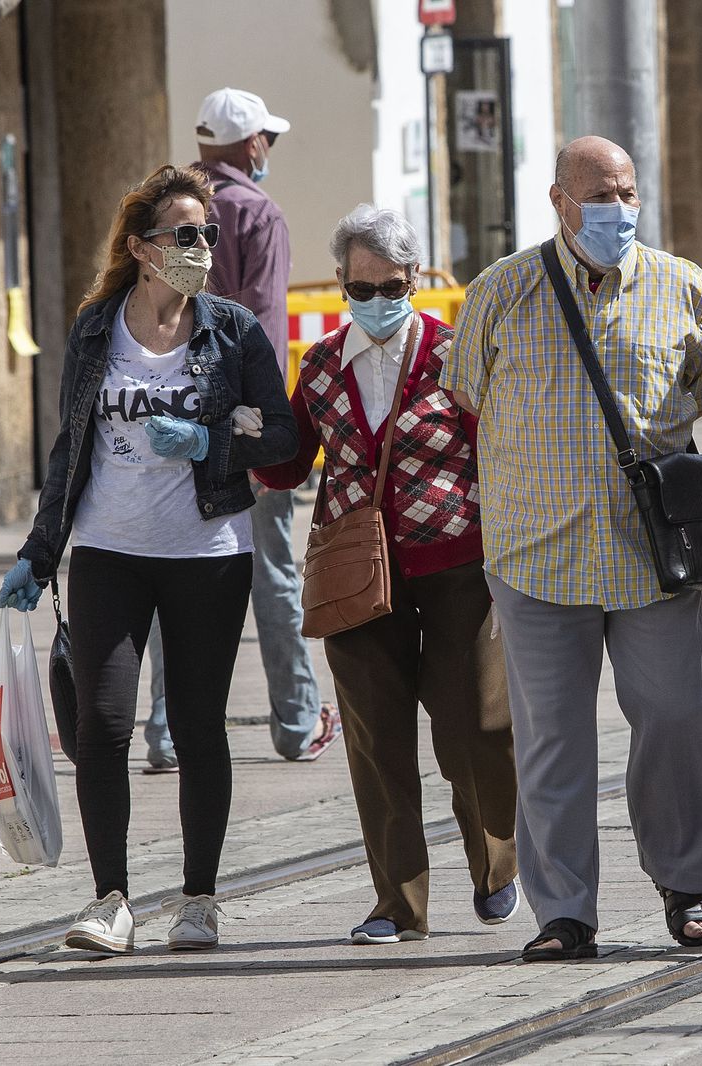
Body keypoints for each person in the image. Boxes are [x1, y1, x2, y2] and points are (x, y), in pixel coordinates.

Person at [444, 135, 702, 962]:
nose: (619, 208)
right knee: (552, 742)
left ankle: (687, 885)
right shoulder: (502, 291)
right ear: (560, 200)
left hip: (652, 555)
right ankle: (564, 912)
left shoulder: (682, 285)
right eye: (601, 194)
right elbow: (466, 392)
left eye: (628, 192)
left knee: (682, 714)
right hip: (535, 557)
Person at [0, 165, 299, 954]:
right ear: (140, 247)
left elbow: (287, 436)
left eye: (208, 234)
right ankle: (111, 902)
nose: (202, 246)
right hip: (108, 550)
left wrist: (213, 439)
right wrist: (40, 550)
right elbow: (72, 446)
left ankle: (199, 901)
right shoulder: (98, 328)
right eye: (185, 235)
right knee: (100, 727)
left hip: (209, 551)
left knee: (200, 727)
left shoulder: (231, 328)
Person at [254, 205, 519, 944]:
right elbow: (284, 466)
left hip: (458, 568)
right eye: (361, 288)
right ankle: (398, 903)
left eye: (392, 285)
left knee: (474, 728)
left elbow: (493, 452)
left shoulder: (453, 352)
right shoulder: (321, 366)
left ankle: (497, 866)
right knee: (377, 743)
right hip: (357, 579)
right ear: (340, 284)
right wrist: (245, 426)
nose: (377, 300)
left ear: (414, 280)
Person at [142, 87, 340, 774]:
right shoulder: (258, 213)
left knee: (172, 569)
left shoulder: (165, 215)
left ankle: (164, 734)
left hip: (169, 415)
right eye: (268, 141)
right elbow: (257, 324)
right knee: (272, 572)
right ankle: (294, 720)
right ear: (251, 144)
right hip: (240, 419)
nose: (267, 152)